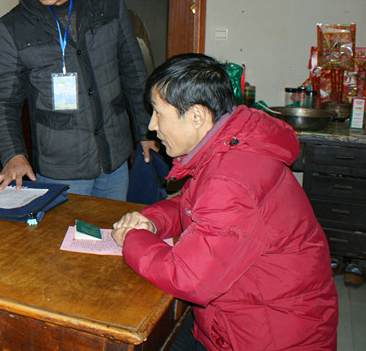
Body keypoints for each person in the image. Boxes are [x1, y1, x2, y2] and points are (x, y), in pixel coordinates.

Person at [111, 53, 338, 350]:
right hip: (242, 320)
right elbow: (193, 208)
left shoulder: (230, 179)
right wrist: (151, 221)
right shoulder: (229, 145)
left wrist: (132, 238)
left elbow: (189, 278)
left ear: (196, 116)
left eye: (158, 113)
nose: (152, 126)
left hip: (270, 337)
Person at [0, 0, 157, 199]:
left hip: (114, 156)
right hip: (60, 165)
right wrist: (13, 154)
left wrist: (145, 130)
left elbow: (133, 70)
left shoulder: (108, 2)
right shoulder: (13, 26)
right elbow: (2, 102)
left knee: (113, 225)